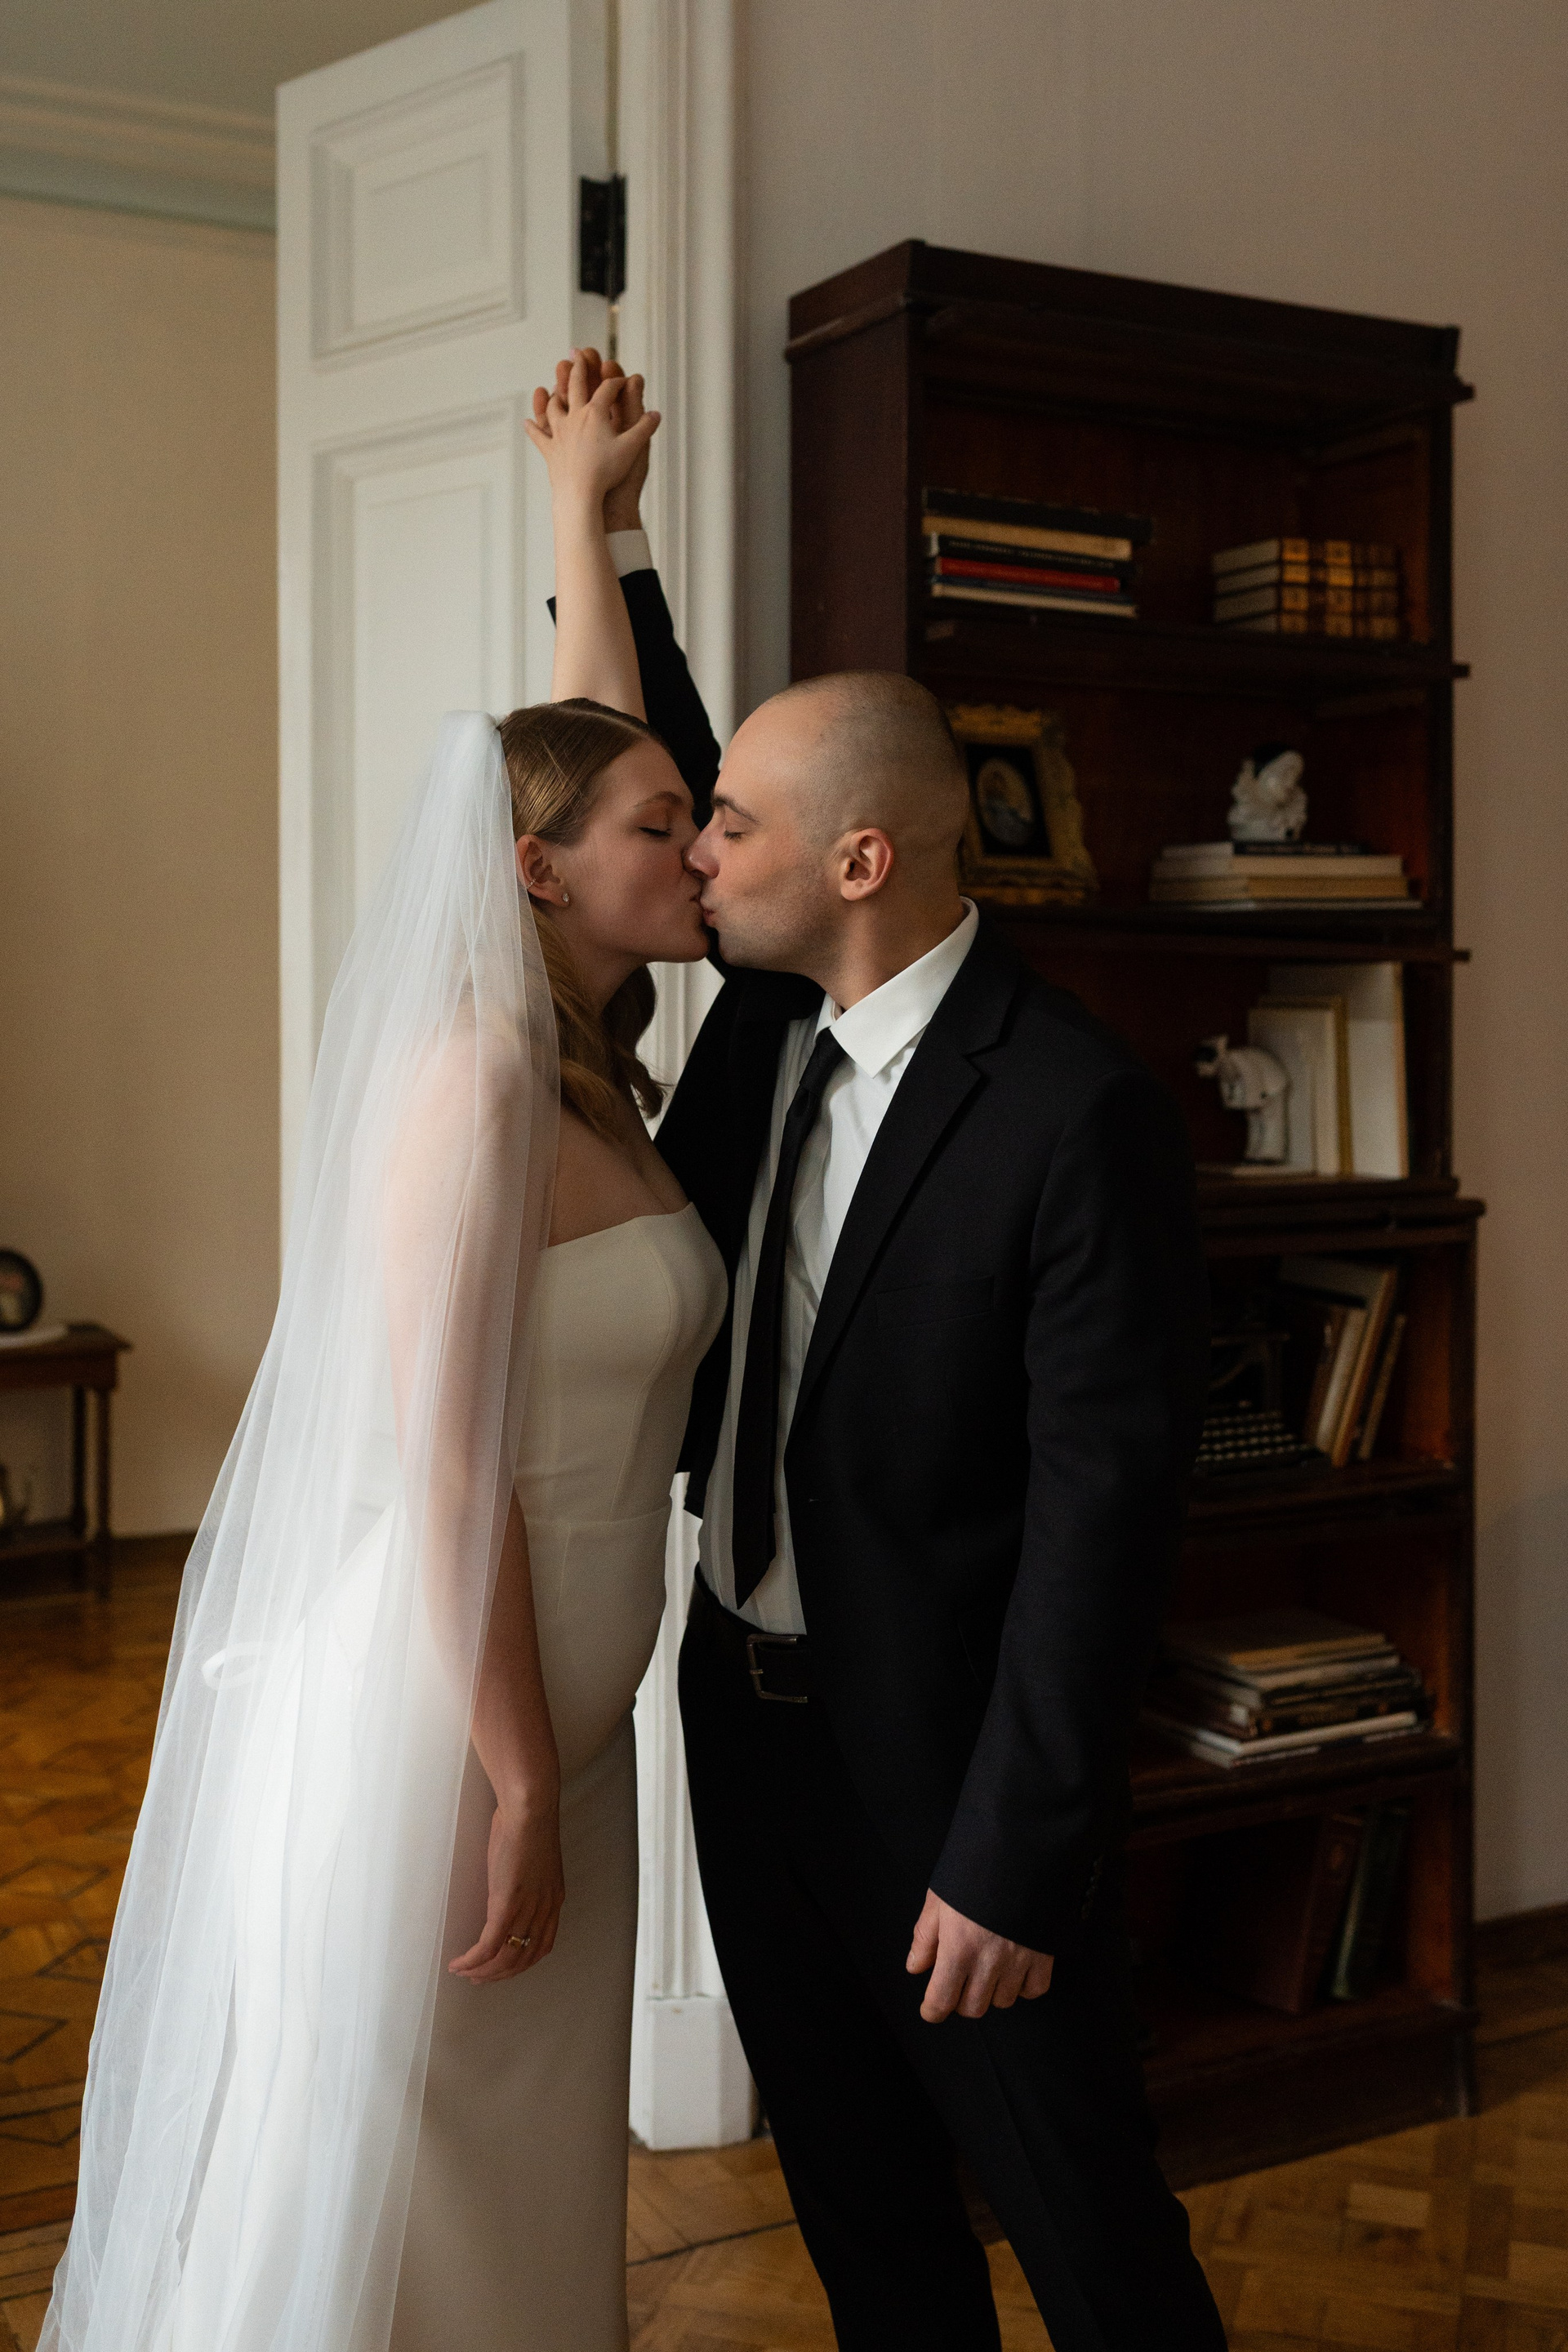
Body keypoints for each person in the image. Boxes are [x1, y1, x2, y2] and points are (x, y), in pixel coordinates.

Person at [43, 366, 723, 2352]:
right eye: (667, 828)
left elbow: (590, 758)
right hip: (443, 1733)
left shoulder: (589, 1063)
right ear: (538, 871)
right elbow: (450, 1464)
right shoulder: (481, 1080)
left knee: (515, 2175)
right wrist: (513, 1779)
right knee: (392, 2183)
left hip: (560, 1726)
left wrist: (585, 514)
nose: (702, 845)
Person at [553, 356, 1227, 2350]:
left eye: (729, 829)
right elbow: (675, 750)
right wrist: (606, 528)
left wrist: (1017, 1857)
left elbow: (1105, 1523)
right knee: (862, 2221)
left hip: (953, 1778)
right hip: (744, 1732)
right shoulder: (770, 1021)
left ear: (861, 863)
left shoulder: (1076, 1113)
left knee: (1089, 2234)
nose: (691, 852)